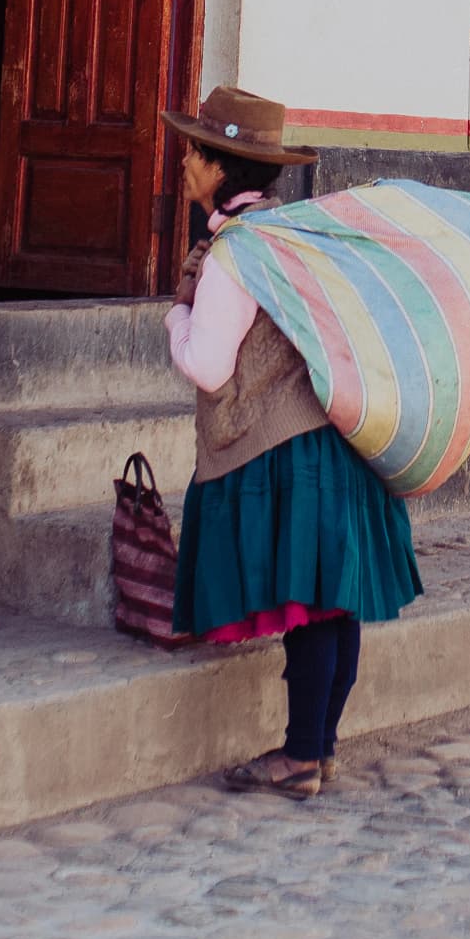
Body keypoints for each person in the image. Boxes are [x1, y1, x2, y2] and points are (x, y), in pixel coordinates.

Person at [163, 87, 424, 799]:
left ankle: (301, 754)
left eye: (194, 152)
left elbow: (210, 365)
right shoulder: (296, 233)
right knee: (331, 605)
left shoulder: (234, 255)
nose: (184, 163)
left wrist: (175, 319)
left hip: (278, 448)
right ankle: (318, 746)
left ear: (221, 167)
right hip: (332, 441)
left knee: (308, 605)